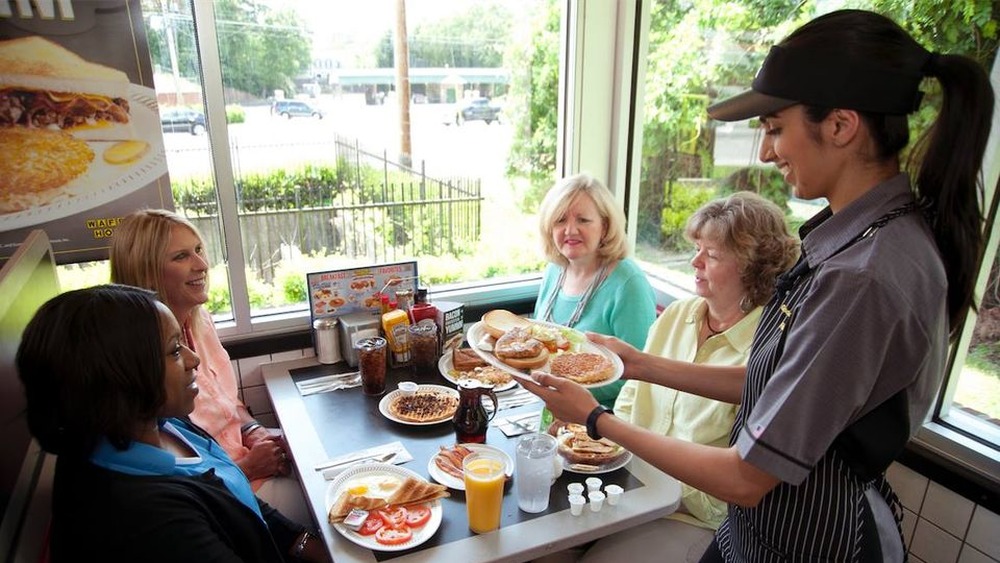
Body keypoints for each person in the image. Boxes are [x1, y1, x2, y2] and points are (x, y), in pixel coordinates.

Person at [518, 9, 992, 562]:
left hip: (810, 541)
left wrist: (597, 418)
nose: (767, 152)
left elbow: (746, 476)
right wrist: (640, 364)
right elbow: (777, 385)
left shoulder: (861, 277)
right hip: (755, 534)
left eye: (774, 129)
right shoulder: (861, 241)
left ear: (840, 125)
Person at [15, 284, 329, 562]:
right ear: (120, 377)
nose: (194, 359)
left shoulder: (166, 423)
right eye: (175, 350)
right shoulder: (144, 521)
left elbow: (235, 499)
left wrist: (310, 545)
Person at [585, 192, 797, 562]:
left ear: (754, 267)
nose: (695, 262)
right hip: (631, 486)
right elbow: (631, 398)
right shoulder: (676, 315)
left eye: (711, 255)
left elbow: (738, 478)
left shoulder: (766, 351)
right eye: (697, 248)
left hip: (694, 517)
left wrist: (594, 420)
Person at [110, 208, 310, 526]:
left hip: (243, 462)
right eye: (181, 256)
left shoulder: (199, 320)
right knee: (327, 503)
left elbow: (227, 402)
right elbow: (175, 483)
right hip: (223, 494)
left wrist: (254, 431)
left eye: (199, 250)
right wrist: (248, 468)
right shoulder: (141, 361)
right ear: (146, 273)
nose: (202, 265)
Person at [534, 173, 656, 409]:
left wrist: (563, 389)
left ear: (605, 225)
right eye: (560, 220)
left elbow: (639, 377)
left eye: (583, 220)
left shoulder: (629, 284)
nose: (570, 230)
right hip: (549, 407)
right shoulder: (554, 270)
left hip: (604, 422)